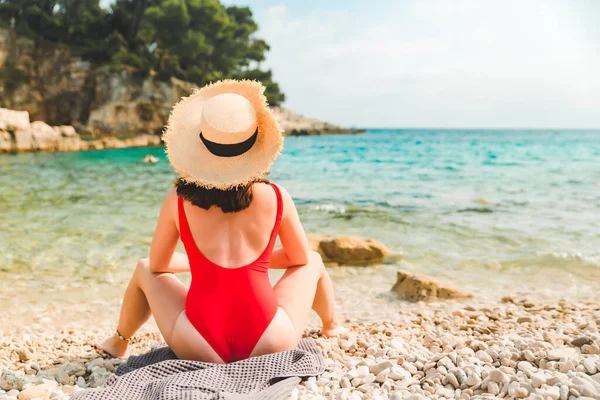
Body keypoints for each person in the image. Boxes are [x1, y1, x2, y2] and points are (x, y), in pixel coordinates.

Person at [96, 80, 345, 363]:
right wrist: (253, 263)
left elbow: (158, 265)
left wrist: (204, 264)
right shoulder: (276, 196)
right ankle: (331, 326)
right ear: (254, 145)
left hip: (199, 343)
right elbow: (298, 258)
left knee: (143, 268)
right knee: (312, 260)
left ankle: (119, 342)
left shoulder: (179, 199)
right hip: (268, 339)